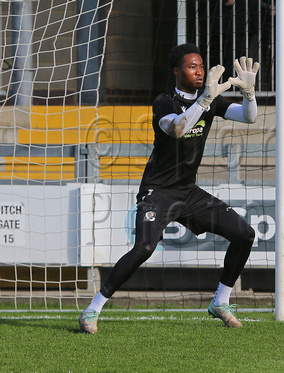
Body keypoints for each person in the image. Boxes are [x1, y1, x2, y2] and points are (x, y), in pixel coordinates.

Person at [79, 43, 260, 333]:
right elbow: (178, 128)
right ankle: (92, 310)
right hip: (158, 192)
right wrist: (203, 102)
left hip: (188, 193)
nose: (199, 71)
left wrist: (249, 94)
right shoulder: (164, 102)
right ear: (176, 71)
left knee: (245, 234)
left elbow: (249, 117)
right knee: (145, 248)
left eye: (201, 66)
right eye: (192, 66)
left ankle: (220, 302)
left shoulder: (211, 98)